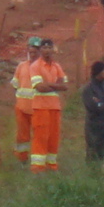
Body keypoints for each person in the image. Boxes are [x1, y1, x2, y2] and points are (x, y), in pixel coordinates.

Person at [21, 38, 68, 173]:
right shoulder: (35, 66)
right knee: (40, 136)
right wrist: (56, 85)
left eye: (49, 48)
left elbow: (64, 86)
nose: (47, 50)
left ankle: (51, 165)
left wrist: (50, 85)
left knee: (54, 137)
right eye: (44, 48)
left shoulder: (56, 66)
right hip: (40, 107)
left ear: (53, 49)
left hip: (54, 107)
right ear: (40, 50)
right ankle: (37, 167)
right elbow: (39, 87)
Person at [10, 37, 40, 164]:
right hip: (22, 108)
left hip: (38, 108)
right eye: (31, 52)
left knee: (39, 135)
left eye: (35, 52)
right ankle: (22, 158)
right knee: (22, 136)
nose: (32, 55)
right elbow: (15, 85)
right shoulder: (21, 66)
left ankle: (38, 160)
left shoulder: (43, 68)